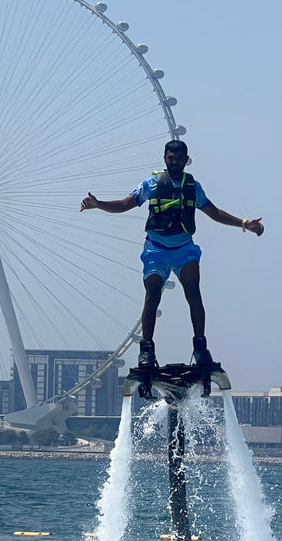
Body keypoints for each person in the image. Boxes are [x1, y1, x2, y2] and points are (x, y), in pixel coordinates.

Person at [80, 140, 264, 371]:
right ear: (165, 158)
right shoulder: (152, 183)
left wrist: (245, 224)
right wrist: (99, 204)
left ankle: (200, 348)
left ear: (186, 160)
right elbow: (126, 204)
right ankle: (146, 350)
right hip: (156, 249)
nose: (175, 162)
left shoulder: (193, 187)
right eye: (171, 158)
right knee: (153, 293)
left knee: (193, 291)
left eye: (179, 158)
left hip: (184, 249)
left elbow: (214, 212)